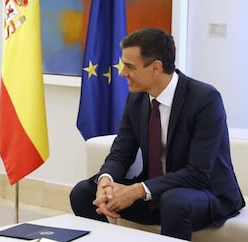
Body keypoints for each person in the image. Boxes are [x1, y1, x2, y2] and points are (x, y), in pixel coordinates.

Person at [70, 27, 245, 241]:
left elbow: (198, 173)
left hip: (206, 194)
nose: (123, 73)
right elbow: (120, 153)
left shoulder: (205, 99)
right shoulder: (137, 99)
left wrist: (137, 190)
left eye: (130, 66)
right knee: (83, 192)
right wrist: (106, 181)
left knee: (174, 201)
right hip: (156, 193)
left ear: (156, 67)